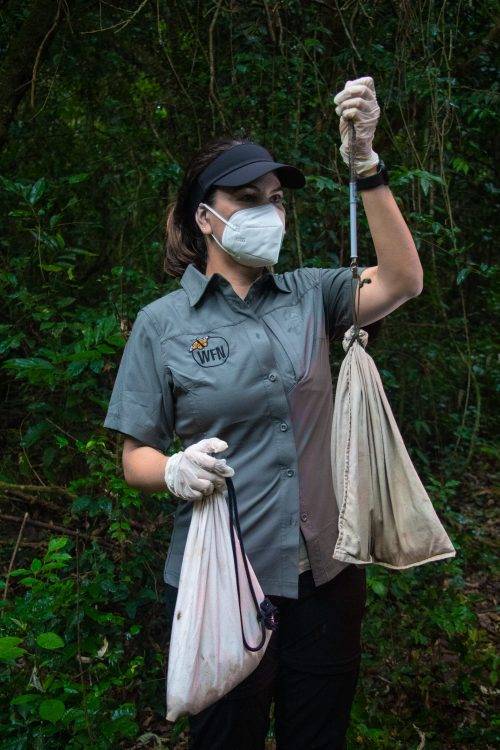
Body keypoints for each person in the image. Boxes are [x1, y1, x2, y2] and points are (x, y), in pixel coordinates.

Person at [103, 77, 423, 749]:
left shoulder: (311, 296)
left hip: (325, 579)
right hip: (221, 580)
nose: (268, 213)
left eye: (275, 201)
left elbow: (402, 280)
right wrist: (173, 470)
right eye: (246, 200)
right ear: (204, 218)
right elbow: (134, 457)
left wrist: (366, 166)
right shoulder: (163, 324)